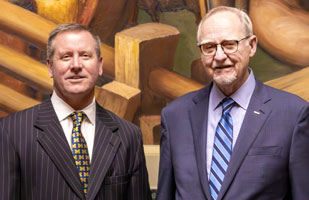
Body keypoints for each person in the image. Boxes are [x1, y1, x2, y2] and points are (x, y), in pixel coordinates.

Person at [156, 6, 309, 200]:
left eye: (229, 44)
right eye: (209, 47)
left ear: (252, 46)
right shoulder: (175, 117)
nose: (219, 56)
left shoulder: (292, 114)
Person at [0, 23, 151, 200]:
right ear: (50, 67)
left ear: (100, 65)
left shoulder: (129, 136)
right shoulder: (11, 131)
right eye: (66, 57)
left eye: (85, 56)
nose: (76, 65)